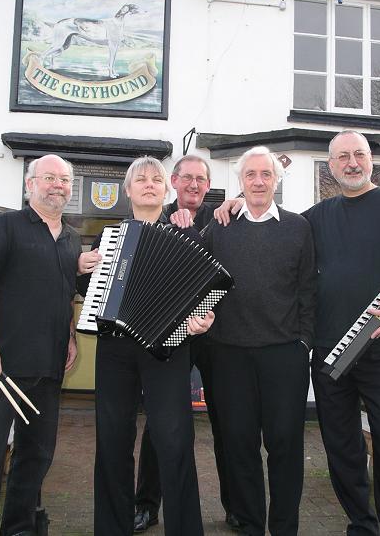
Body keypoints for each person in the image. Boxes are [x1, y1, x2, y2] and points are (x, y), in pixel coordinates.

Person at [77, 156, 215, 536]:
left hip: (167, 347)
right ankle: (111, 527)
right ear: (128, 189)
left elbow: (205, 292)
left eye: (156, 179)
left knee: (174, 439)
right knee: (112, 438)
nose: (150, 184)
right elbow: (90, 293)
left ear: (166, 188)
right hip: (115, 349)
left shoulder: (186, 236)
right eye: (141, 179)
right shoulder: (110, 236)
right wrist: (82, 268)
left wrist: (202, 318)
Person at [304, 130, 380, 535]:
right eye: (342, 156)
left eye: (358, 154)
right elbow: (273, 224)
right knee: (341, 446)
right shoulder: (316, 217)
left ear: (371, 159)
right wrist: (234, 202)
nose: (351, 162)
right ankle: (362, 524)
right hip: (328, 350)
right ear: (331, 165)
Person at [0, 154, 85, 536]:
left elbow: (64, 295)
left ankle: (19, 529)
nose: (57, 185)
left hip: (48, 369)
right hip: (3, 366)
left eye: (64, 180)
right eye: (48, 177)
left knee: (36, 458)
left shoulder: (71, 238)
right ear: (30, 183)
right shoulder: (3, 226)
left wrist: (72, 336)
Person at [202, 146, 317, 536]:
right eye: (250, 174)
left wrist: (304, 343)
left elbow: (307, 290)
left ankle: (284, 528)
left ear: (276, 180)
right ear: (240, 182)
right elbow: (195, 276)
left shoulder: (298, 227)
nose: (258, 181)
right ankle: (251, 525)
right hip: (229, 354)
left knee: (285, 446)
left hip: (284, 355)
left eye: (265, 174)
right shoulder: (220, 226)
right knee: (239, 445)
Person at [133, 155, 238, 532]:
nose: (194, 185)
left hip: (218, 337)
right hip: (172, 338)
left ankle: (235, 506)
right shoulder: (156, 217)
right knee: (161, 424)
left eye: (201, 180)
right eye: (187, 178)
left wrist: (237, 201)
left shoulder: (223, 217)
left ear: (209, 186)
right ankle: (146, 504)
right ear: (173, 181)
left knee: (225, 420)